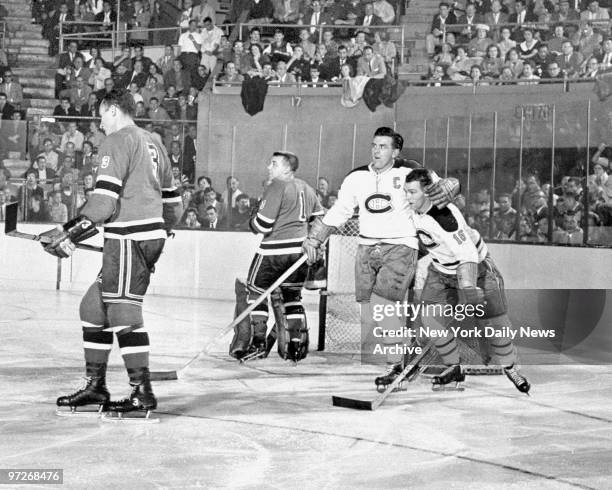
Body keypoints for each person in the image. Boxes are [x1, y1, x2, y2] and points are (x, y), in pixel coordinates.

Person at [44, 89, 182, 418]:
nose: (100, 123)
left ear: (113, 109)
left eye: (101, 115)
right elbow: (174, 203)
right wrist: (158, 231)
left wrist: (70, 232)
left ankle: (141, 393)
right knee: (94, 306)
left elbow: (104, 203)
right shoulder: (154, 141)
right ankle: (96, 386)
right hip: (142, 237)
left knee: (122, 311)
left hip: (128, 239)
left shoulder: (117, 140)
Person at [302, 127, 460, 386]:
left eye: (383, 146)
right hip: (366, 247)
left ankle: (397, 366)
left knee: (383, 305)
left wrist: (452, 188)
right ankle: (410, 355)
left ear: (395, 151)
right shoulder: (356, 177)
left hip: (401, 246)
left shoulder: (408, 172)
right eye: (374, 145)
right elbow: (341, 209)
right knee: (374, 310)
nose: (376, 150)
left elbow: (442, 190)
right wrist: (316, 237)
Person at [403, 168, 530, 394]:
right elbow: (440, 179)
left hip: (477, 269)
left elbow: (468, 255)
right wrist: (453, 183)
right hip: (441, 271)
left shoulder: (445, 219)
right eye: (406, 191)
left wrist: (468, 287)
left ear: (426, 192)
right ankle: (454, 367)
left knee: (497, 325)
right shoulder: (413, 204)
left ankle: (510, 366)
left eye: (412, 192)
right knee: (430, 320)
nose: (407, 196)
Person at [229, 151, 324, 362]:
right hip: (298, 253)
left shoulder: (277, 186)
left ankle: (258, 344)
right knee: (292, 298)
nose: (268, 167)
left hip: (273, 252)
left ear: (286, 168)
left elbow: (262, 224)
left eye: (273, 163)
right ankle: (296, 348)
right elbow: (320, 217)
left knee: (255, 292)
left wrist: (251, 221)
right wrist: (312, 239)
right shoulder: (306, 187)